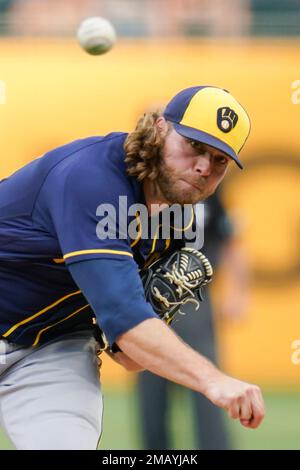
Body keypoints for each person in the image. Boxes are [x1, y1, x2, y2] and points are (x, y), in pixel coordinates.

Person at [0, 85, 264, 450]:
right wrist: (212, 379)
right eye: (195, 146)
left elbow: (127, 356)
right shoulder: (91, 177)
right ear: (160, 129)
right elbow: (125, 320)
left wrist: (155, 311)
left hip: (53, 346)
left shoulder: (176, 221)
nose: (204, 167)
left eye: (220, 160)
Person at [137, 190, 249, 450]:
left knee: (207, 387)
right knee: (152, 388)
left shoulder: (207, 190)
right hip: (148, 300)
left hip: (195, 299)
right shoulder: (146, 189)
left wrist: (239, 293)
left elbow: (230, 237)